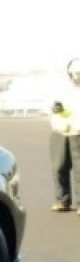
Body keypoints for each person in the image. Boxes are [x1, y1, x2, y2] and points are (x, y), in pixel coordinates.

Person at [49, 58, 80, 213]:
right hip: (60, 132)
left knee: (79, 169)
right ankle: (62, 200)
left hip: (78, 132)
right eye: (75, 73)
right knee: (59, 167)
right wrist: (56, 109)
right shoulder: (60, 89)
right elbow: (52, 105)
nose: (77, 76)